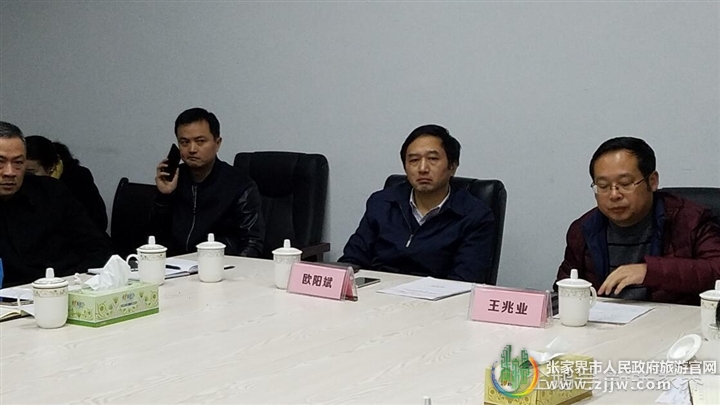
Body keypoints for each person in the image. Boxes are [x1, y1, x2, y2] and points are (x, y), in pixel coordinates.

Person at [556, 137, 720, 304]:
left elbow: (716, 269)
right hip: (605, 320)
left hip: (672, 319)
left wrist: (650, 271)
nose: (614, 195)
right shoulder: (584, 229)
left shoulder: (690, 220)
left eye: (625, 183)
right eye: (603, 186)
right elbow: (564, 290)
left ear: (652, 181)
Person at [339, 124, 495, 282]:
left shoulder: (474, 216)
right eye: (414, 160)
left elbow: (465, 280)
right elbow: (352, 260)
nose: (422, 168)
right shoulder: (382, 203)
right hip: (376, 292)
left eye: (433, 159)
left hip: (437, 295)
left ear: (452, 166)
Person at [0, 121, 112, 287]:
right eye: (0, 162)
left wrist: (66, 283)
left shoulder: (51, 192)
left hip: (64, 287)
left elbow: (97, 249)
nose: (10, 172)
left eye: (18, 163)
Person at [150, 107, 264, 257]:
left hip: (221, 265)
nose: (192, 149)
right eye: (184, 142)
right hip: (176, 265)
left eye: (200, 141)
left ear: (217, 143)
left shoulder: (240, 185)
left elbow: (252, 243)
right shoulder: (174, 178)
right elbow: (155, 237)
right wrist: (164, 196)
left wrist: (235, 269)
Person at [25, 135, 108, 231]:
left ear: (51, 167)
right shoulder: (17, 181)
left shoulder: (77, 179)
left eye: (30, 172)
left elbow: (97, 222)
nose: (23, 176)